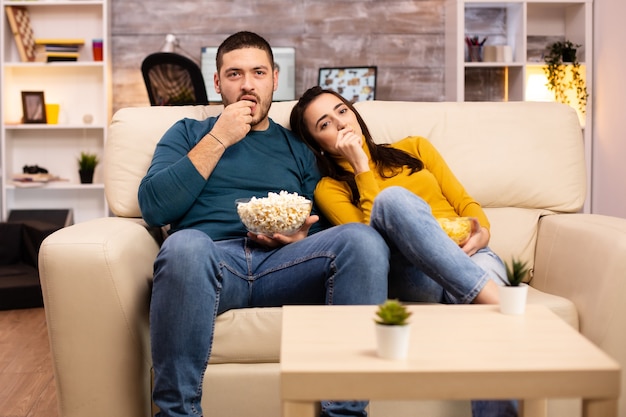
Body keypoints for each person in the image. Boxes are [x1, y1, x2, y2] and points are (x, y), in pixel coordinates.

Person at [138, 32, 389, 417]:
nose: (248, 84)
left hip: (285, 264)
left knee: (362, 240)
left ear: (274, 77)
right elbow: (154, 208)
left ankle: (345, 412)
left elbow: (322, 228)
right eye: (234, 74)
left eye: (258, 72)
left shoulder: (298, 148)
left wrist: (298, 235)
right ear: (218, 82)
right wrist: (220, 137)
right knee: (185, 245)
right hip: (213, 263)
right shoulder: (187, 133)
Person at [289, 86, 517, 416]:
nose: (340, 123)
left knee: (487, 320)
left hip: (470, 254)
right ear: (317, 145)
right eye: (324, 124)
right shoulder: (330, 188)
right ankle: (497, 298)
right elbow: (368, 241)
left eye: (341, 111)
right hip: (413, 272)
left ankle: (484, 300)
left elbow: (464, 203)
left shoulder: (415, 147)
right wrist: (360, 167)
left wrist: (481, 233)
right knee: (391, 201)